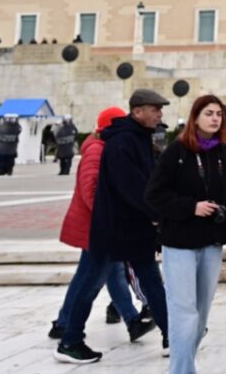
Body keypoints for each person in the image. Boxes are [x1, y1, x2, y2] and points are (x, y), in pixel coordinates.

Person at [63, 90, 171, 363]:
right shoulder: (123, 142)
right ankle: (70, 340)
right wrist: (156, 213)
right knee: (89, 283)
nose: (160, 114)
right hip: (113, 227)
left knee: (151, 280)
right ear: (137, 112)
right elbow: (132, 187)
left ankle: (173, 333)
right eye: (154, 109)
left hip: (131, 226)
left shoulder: (138, 138)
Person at [145, 95, 226, 374]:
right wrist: (191, 207)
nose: (215, 119)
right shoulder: (177, 151)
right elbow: (154, 194)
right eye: (208, 113)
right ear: (195, 117)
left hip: (210, 243)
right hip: (179, 244)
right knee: (183, 313)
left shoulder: (224, 152)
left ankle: (184, 364)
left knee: (200, 316)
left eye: (219, 114)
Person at [49, 107, 154, 350]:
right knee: (91, 278)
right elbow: (91, 191)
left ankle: (128, 321)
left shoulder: (107, 148)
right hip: (96, 227)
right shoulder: (95, 151)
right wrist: (116, 213)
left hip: (104, 226)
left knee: (107, 274)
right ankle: (67, 326)